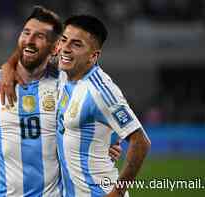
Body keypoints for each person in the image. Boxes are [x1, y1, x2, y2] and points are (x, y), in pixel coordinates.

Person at [0, 6, 121, 197]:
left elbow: (103, 103)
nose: (30, 40)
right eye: (26, 33)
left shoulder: (67, 83)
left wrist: (107, 143)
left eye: (40, 36)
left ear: (55, 46)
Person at [55, 15, 151, 197]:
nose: (65, 49)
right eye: (64, 40)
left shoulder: (100, 90)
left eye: (76, 44)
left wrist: (117, 193)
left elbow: (141, 142)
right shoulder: (66, 77)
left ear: (93, 56)